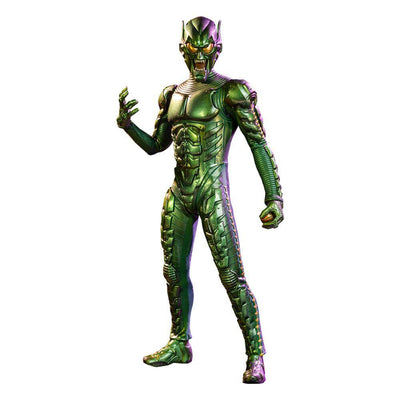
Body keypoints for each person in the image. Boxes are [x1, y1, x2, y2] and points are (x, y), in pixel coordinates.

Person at [116, 16, 283, 384]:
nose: (200, 60)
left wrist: (274, 197)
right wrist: (128, 126)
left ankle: (255, 354)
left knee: (232, 276)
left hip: (211, 191)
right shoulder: (171, 94)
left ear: (217, 49)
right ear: (183, 51)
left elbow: (258, 144)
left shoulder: (232, 92)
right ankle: (179, 342)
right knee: (173, 272)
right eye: (193, 53)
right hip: (180, 192)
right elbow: (156, 146)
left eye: (206, 52)